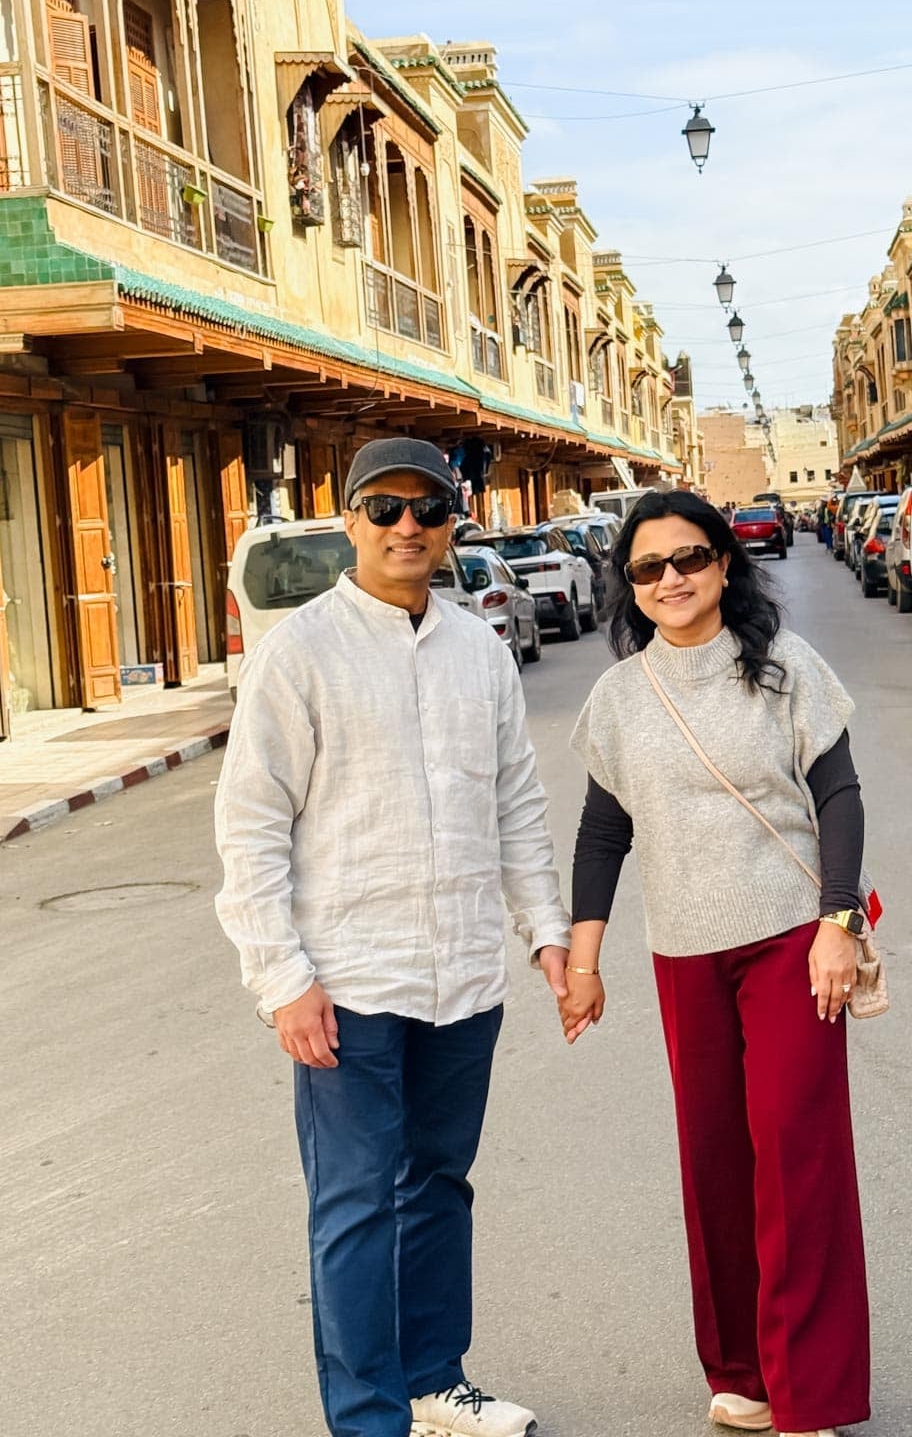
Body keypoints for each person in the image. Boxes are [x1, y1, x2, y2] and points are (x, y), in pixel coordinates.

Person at [214, 436, 570, 1437]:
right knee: (358, 1205)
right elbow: (250, 825)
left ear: (454, 519)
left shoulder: (479, 649)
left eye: (427, 507)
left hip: (463, 975)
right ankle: (368, 1417)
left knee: (439, 1185)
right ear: (350, 520)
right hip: (348, 981)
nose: (406, 525)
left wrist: (546, 933)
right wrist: (282, 976)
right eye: (385, 508)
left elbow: (516, 806)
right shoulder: (300, 652)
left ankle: (433, 1379)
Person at [562, 489, 870, 1437]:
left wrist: (838, 922)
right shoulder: (619, 697)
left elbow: (840, 794)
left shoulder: (781, 669)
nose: (672, 580)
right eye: (649, 568)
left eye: (690, 558)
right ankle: (742, 1372)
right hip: (683, 952)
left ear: (725, 564)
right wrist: (584, 957)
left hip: (789, 940)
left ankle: (809, 1394)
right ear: (631, 585)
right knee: (714, 1164)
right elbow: (602, 830)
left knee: (794, 1154)